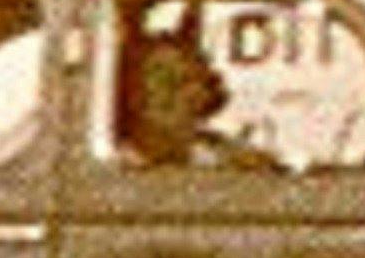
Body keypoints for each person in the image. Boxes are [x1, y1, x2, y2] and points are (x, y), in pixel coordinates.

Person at [116, 27, 279, 173]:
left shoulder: (222, 156)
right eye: (170, 83)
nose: (193, 95)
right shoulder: (116, 164)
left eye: (193, 80)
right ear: (134, 98)